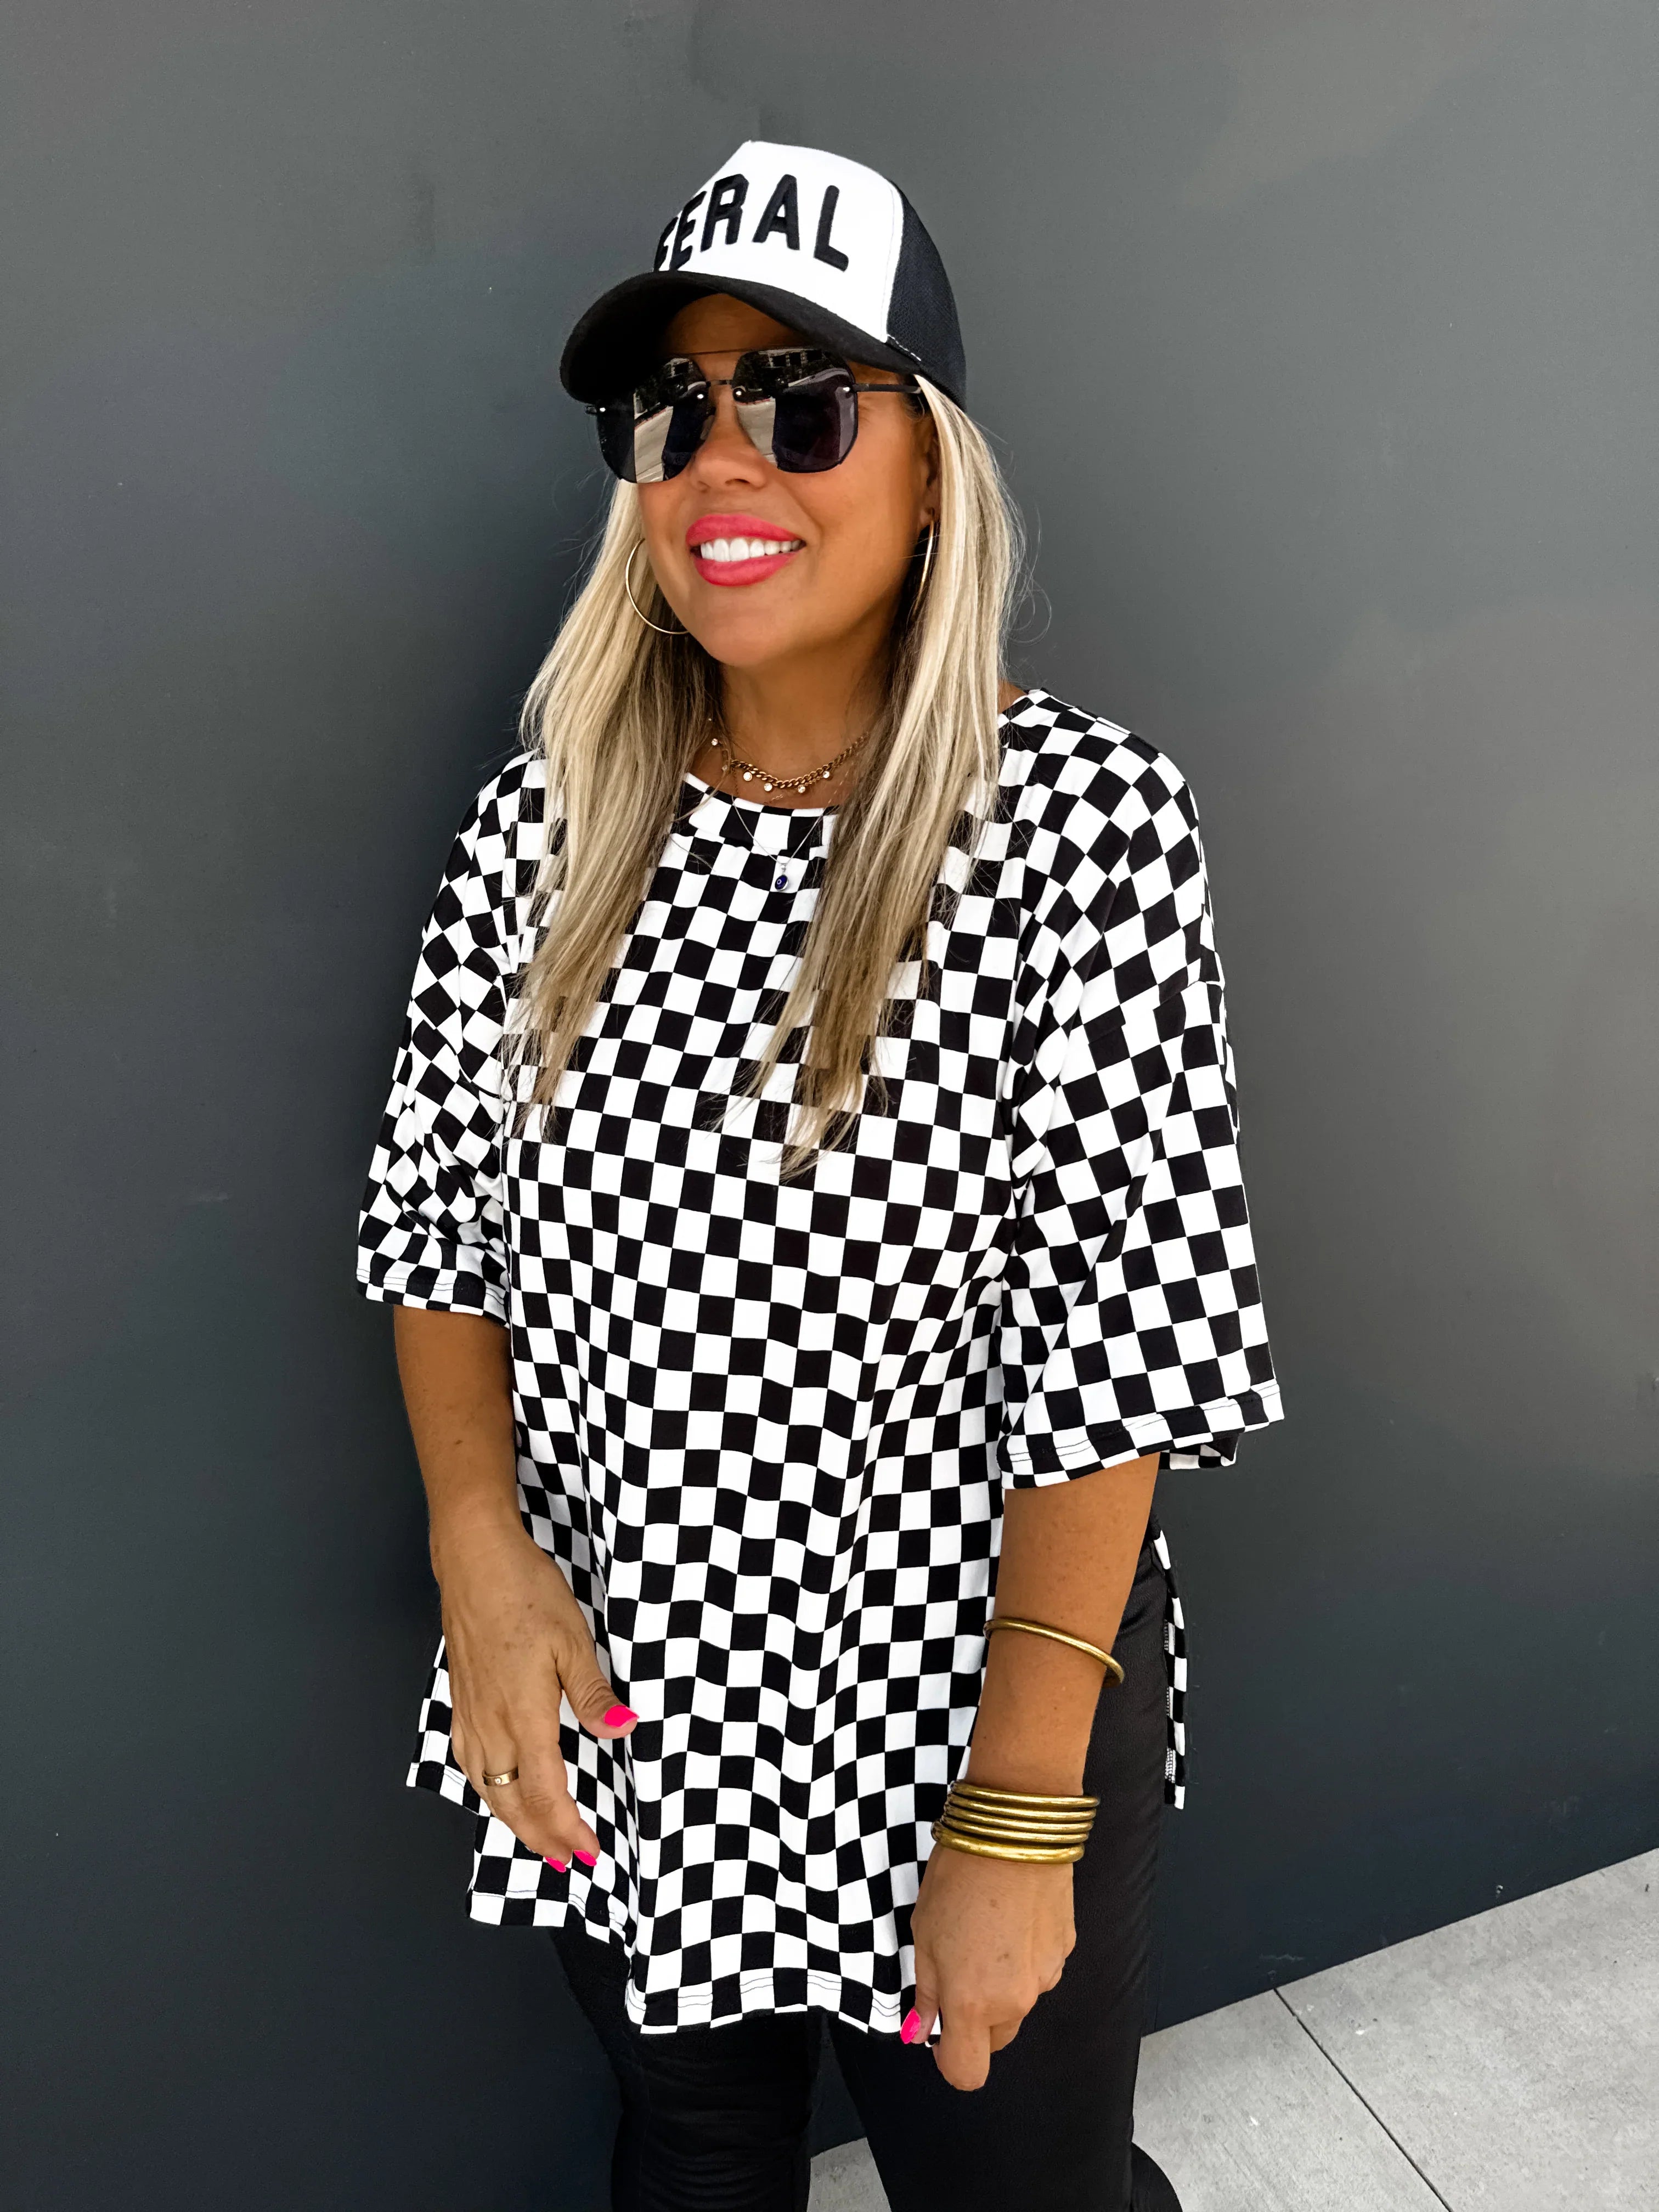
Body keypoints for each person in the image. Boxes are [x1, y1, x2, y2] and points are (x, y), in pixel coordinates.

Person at [357, 140, 1282, 2212]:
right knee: (692, 2150)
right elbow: (434, 1223)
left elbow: (1120, 1353)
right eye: (670, 409)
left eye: (797, 400)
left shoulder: (1081, 829)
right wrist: (480, 1560)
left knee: (1016, 2192)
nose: (720, 456)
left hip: (956, 1705)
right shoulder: (546, 824)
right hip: (627, 1694)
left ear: (933, 463)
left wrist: (1018, 1818)